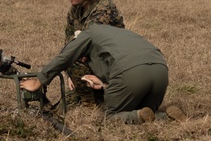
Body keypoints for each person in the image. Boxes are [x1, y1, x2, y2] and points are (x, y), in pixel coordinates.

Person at [19, 23, 180, 124]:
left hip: (132, 75)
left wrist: (39, 81)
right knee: (144, 109)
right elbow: (127, 63)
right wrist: (104, 85)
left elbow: (64, 57)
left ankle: (157, 118)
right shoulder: (116, 35)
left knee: (110, 117)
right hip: (160, 71)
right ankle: (165, 115)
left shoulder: (89, 33)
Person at [62, 0, 124, 106]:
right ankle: (91, 98)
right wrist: (71, 74)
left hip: (110, 65)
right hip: (91, 64)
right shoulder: (75, 11)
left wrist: (75, 62)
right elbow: (68, 42)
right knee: (65, 103)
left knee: (74, 53)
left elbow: (86, 40)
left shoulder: (104, 7)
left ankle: (90, 105)